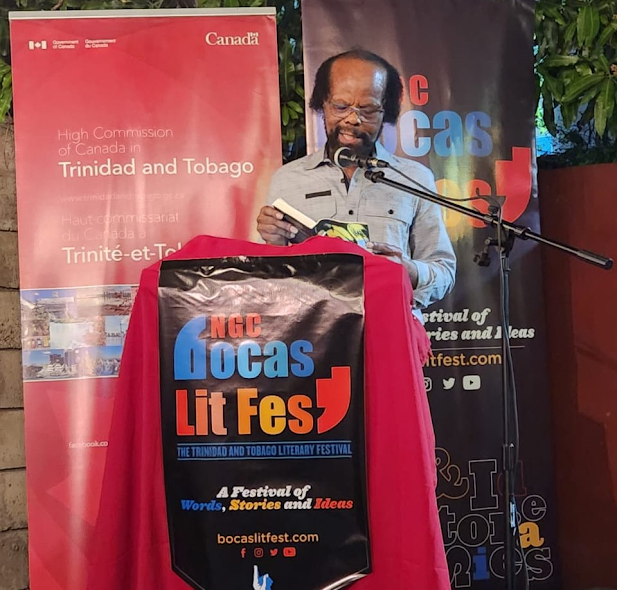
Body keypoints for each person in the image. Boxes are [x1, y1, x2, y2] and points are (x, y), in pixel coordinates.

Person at [256, 49, 456, 311]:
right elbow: (267, 283)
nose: (353, 119)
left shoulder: (414, 178)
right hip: (315, 331)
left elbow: (444, 272)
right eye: (341, 107)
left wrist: (409, 271)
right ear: (322, 104)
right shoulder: (288, 179)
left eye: (368, 109)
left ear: (386, 112)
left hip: (391, 326)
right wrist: (275, 245)